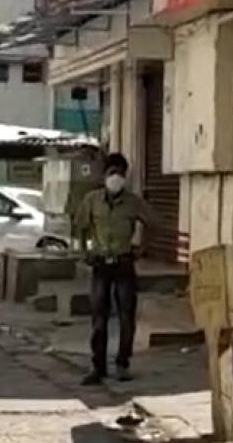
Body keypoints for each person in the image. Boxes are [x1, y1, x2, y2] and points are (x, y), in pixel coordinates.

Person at [74, 153, 157, 385]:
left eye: (120, 173)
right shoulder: (91, 200)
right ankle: (98, 366)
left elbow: (153, 223)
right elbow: (80, 226)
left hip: (123, 263)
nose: (116, 178)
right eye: (112, 173)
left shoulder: (133, 202)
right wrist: (84, 251)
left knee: (126, 316)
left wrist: (142, 248)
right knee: (99, 318)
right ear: (104, 175)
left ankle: (123, 363)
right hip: (100, 263)